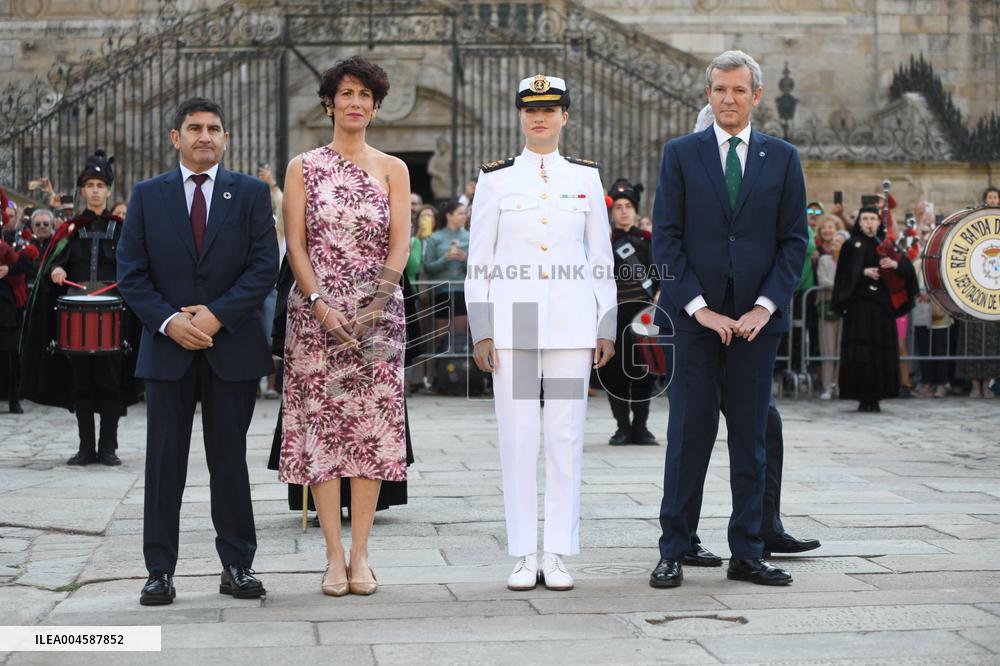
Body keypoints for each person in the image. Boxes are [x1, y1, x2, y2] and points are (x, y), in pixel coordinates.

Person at [649, 51, 807, 589]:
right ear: (709, 93)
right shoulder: (681, 154)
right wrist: (699, 308)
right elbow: (665, 241)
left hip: (757, 326)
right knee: (688, 437)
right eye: (719, 90)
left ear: (756, 96)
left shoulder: (782, 157)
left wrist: (765, 306)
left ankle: (748, 551)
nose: (728, 100)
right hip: (695, 323)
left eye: (739, 91)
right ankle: (673, 547)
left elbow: (794, 243)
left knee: (750, 438)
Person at [117, 97, 278, 605]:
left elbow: (263, 267)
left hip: (230, 347)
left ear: (225, 138)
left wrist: (215, 315)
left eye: (213, 128)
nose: (204, 136)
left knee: (229, 461)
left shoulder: (250, 194)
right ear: (175, 137)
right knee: (165, 463)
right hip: (167, 351)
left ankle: (237, 564)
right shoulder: (147, 195)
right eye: (194, 128)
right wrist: (169, 321)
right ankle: (159, 570)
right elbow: (131, 273)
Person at [466, 73, 616, 592]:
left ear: (565, 117)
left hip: (573, 324)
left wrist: (606, 321)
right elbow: (480, 262)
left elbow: (599, 258)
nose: (540, 117)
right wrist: (482, 327)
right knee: (518, 436)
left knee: (565, 436)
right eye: (531, 109)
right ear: (520, 115)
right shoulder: (497, 179)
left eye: (550, 110)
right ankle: (522, 552)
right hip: (517, 318)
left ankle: (556, 552)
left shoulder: (586, 178)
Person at [279, 56, 410, 597]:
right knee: (323, 432)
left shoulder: (393, 168)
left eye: (365, 95)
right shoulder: (303, 166)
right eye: (346, 93)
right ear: (329, 102)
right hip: (316, 317)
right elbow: (296, 244)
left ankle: (362, 555)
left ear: (376, 107)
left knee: (370, 433)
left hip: (378, 314)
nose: (355, 102)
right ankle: (332, 556)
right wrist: (319, 304)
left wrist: (378, 301)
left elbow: (400, 242)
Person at [20, 151, 140, 465]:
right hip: (76, 322)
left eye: (101, 184)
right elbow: (52, 266)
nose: (96, 190)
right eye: (90, 185)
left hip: (114, 320)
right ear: (83, 191)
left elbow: (137, 268)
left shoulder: (122, 229)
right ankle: (86, 447)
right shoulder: (69, 230)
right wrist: (56, 271)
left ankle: (109, 446)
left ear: (108, 190)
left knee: (110, 382)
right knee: (81, 383)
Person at [832, 205, 917, 412]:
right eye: (865, 218)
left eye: (873, 218)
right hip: (859, 309)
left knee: (880, 354)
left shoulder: (888, 245)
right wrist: (862, 272)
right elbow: (842, 276)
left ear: (879, 222)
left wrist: (895, 265)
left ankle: (878, 396)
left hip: (882, 310)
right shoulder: (851, 245)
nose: (869, 222)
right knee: (861, 354)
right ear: (859, 222)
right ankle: (861, 397)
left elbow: (908, 271)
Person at [598, 178, 659, 446]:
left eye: (628, 206)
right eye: (618, 206)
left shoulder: (649, 240)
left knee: (646, 369)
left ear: (635, 210)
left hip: (644, 312)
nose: (623, 211)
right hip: (614, 313)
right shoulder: (604, 242)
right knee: (615, 372)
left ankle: (641, 427)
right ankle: (622, 427)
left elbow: (660, 276)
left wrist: (659, 297)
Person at [422, 201, 470, 352]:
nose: (464, 216)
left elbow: (477, 268)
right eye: (460, 213)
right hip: (441, 291)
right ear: (449, 215)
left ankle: (460, 372)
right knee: (441, 337)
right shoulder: (435, 238)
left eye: (464, 213)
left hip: (463, 291)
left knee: (460, 336)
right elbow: (428, 267)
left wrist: (464, 260)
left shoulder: (471, 237)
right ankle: (440, 372)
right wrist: (445, 259)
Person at [816, 228, 848, 400]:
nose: (835, 244)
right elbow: (823, 280)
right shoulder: (824, 260)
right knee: (827, 349)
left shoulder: (848, 262)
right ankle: (827, 386)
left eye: (839, 242)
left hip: (843, 308)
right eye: (834, 241)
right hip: (827, 308)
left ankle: (838, 384)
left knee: (840, 349)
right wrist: (841, 287)